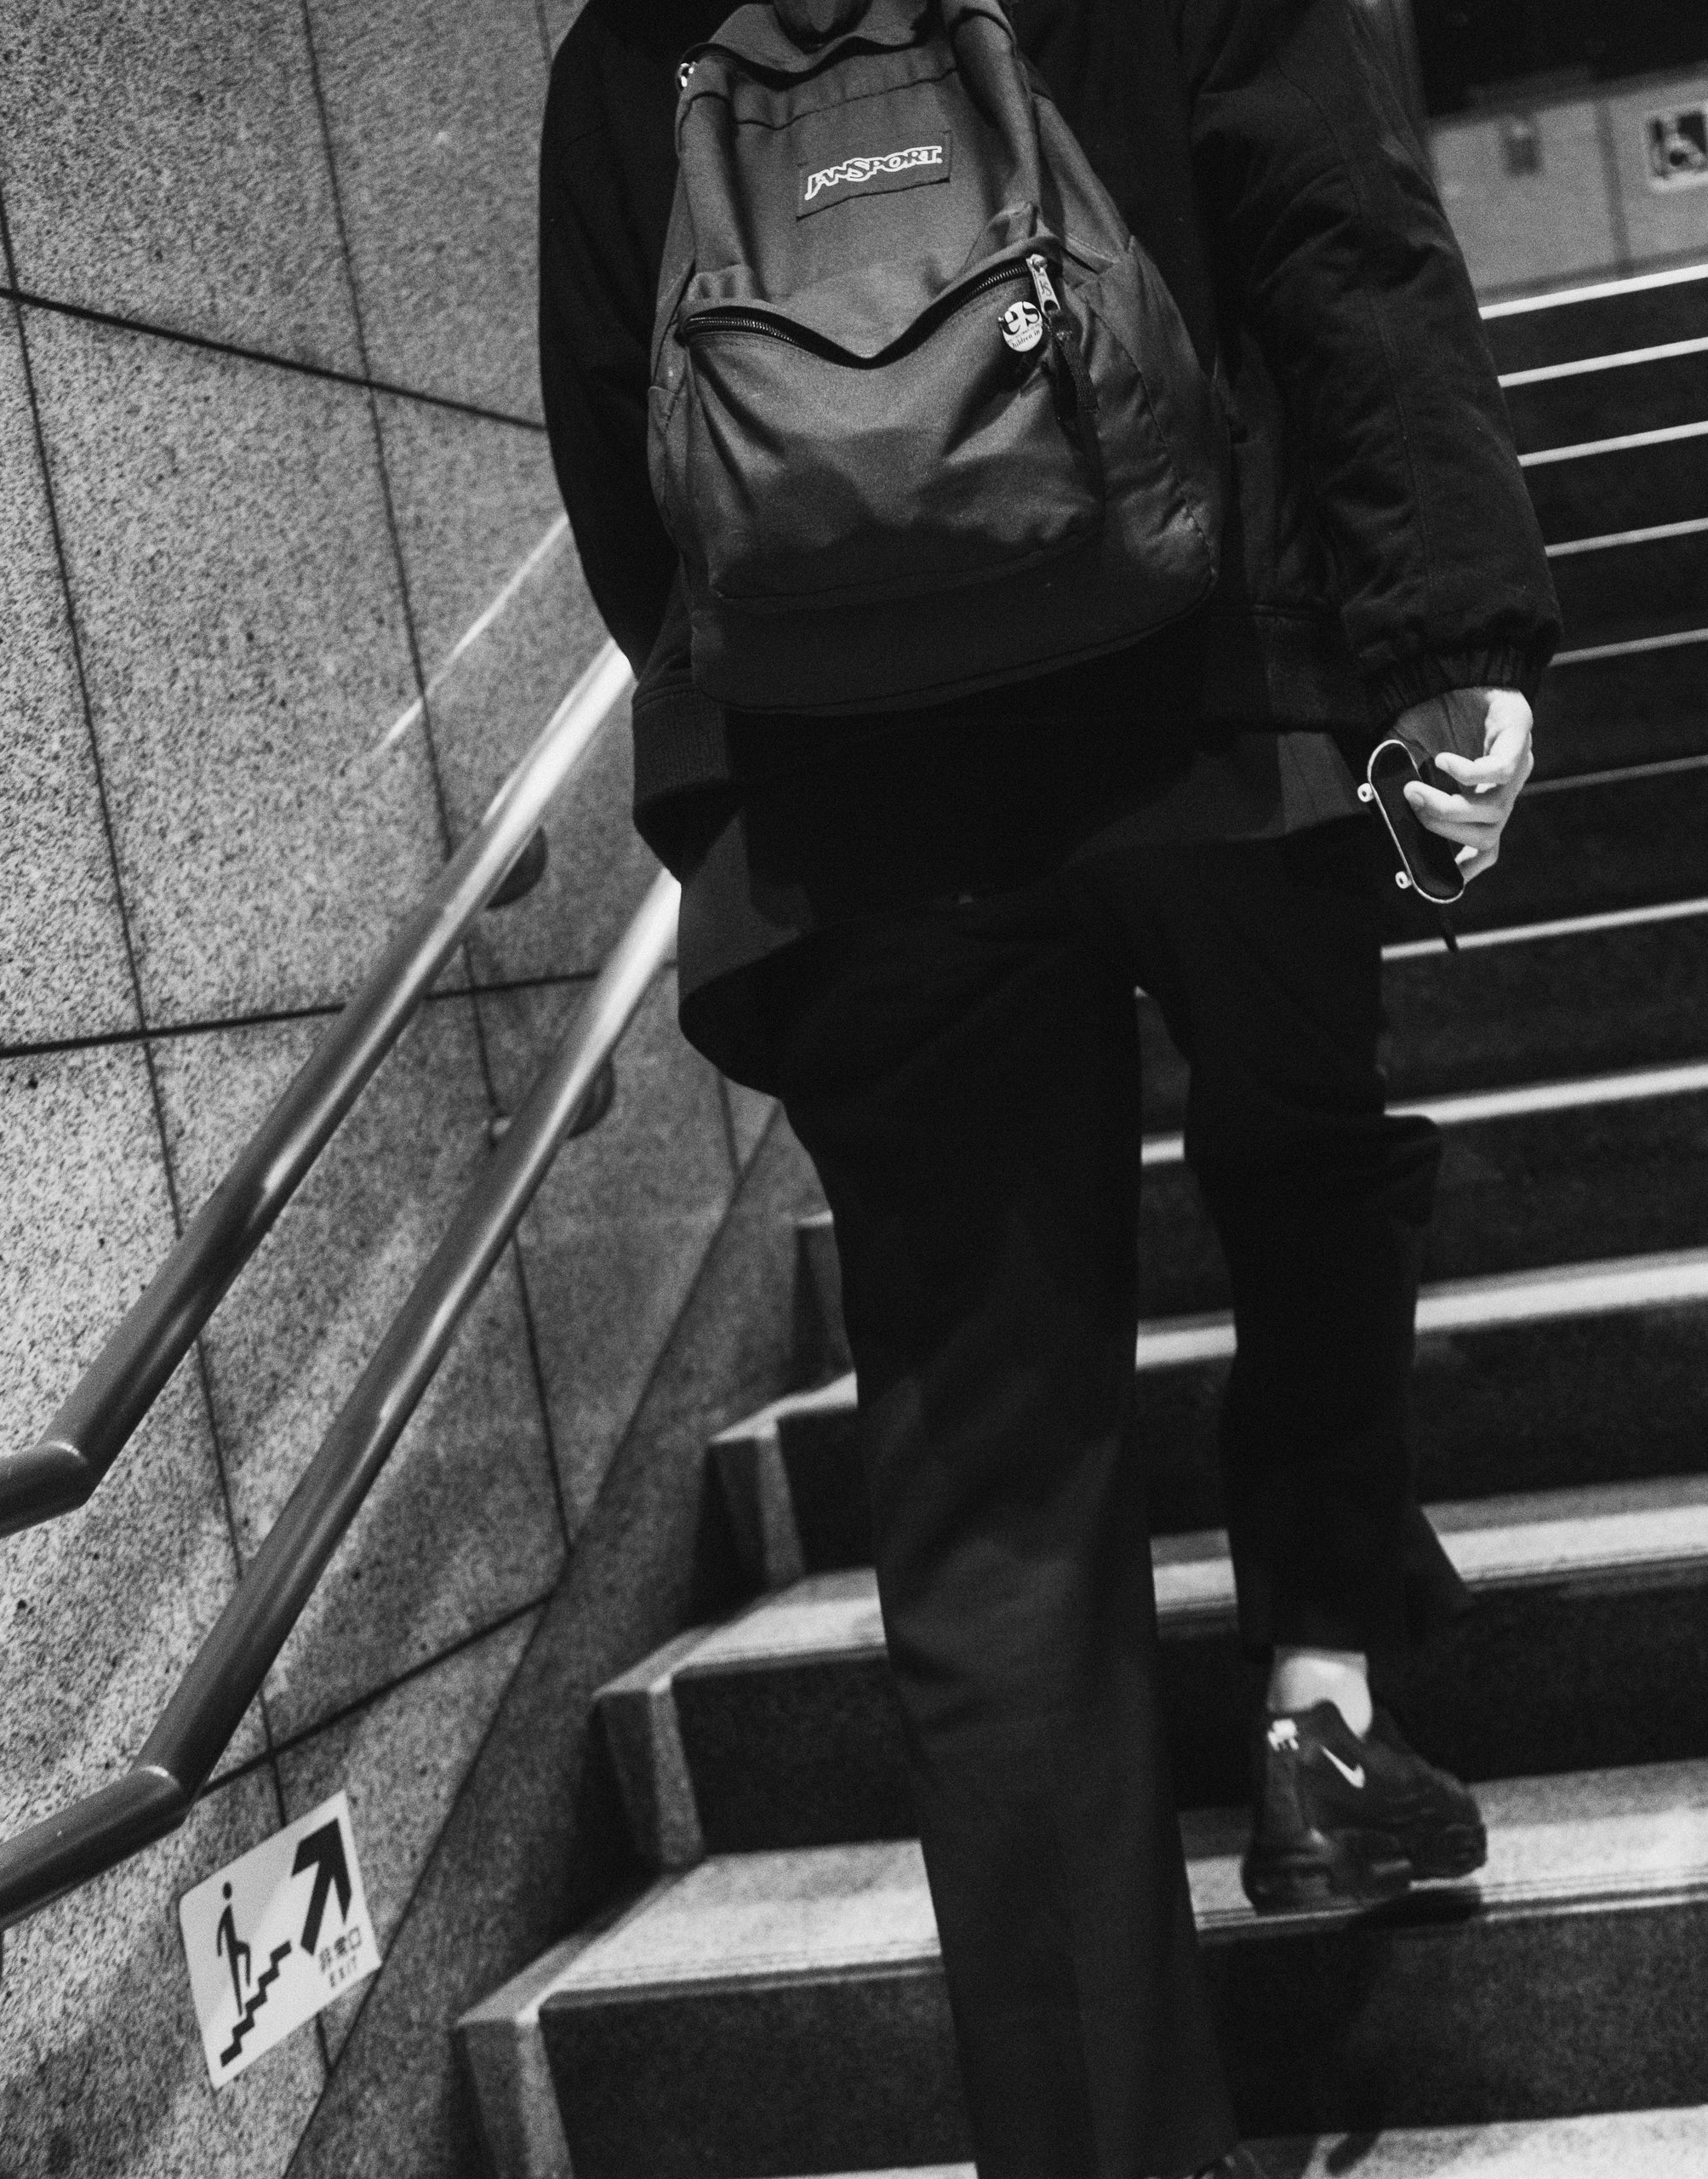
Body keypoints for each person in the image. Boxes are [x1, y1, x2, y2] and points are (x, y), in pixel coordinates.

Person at [537, 3, 1559, 2176]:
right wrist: (1454, 630)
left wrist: (818, 668)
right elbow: (1341, 239)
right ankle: (1323, 1692)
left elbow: (623, 456)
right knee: (1309, 1158)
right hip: (1217, 694)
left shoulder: (638, 37)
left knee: (992, 1499)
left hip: (856, 814)